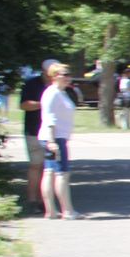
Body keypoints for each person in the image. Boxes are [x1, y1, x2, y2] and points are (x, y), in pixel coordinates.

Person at [37, 62, 80, 219]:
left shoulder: (61, 92)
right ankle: (67, 211)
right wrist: (51, 140)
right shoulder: (52, 93)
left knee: (49, 172)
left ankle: (52, 211)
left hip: (58, 136)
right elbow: (49, 118)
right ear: (54, 76)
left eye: (68, 74)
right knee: (62, 174)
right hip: (55, 137)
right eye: (64, 74)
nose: (68, 77)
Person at [18, 62, 52, 215]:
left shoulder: (59, 86)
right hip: (34, 130)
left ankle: (44, 202)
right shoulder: (32, 84)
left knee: (49, 168)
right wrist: (43, 104)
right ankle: (32, 201)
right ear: (44, 71)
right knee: (35, 166)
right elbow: (24, 105)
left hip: (53, 133)